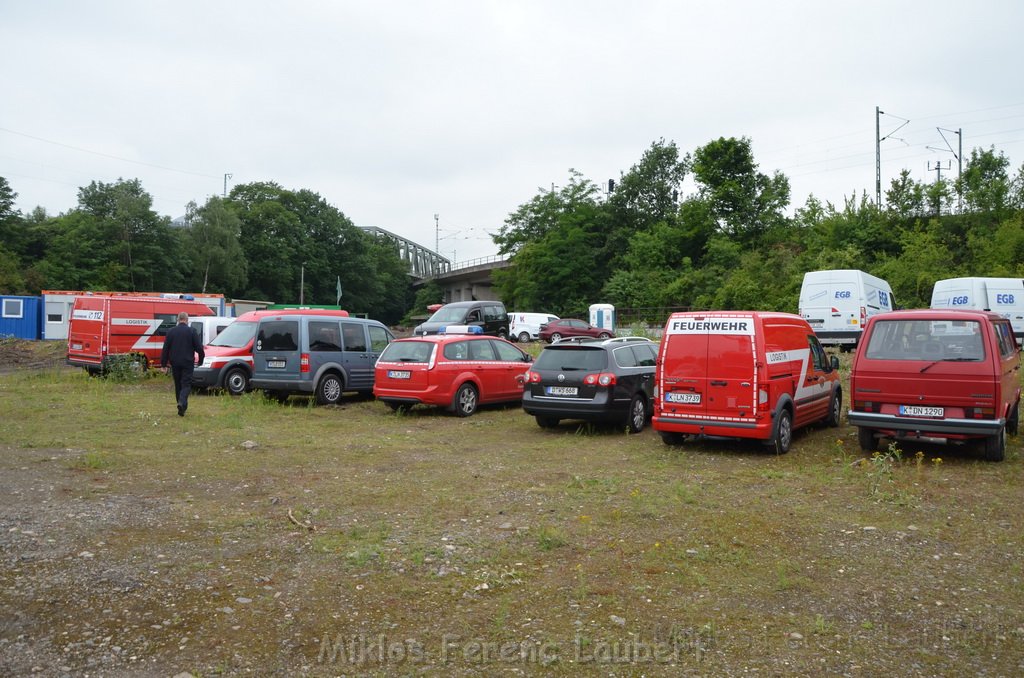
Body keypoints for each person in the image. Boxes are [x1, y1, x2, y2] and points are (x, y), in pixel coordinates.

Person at [160, 311, 205, 417]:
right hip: (187, 362)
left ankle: (181, 407)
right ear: (187, 319)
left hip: (175, 362)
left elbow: (165, 349)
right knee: (186, 384)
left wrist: (163, 364)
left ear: (178, 320)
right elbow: (199, 348)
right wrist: (201, 360)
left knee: (178, 384)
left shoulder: (171, 331)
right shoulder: (192, 331)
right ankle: (181, 402)